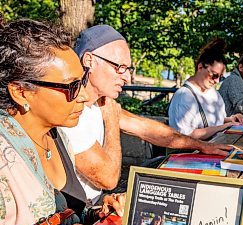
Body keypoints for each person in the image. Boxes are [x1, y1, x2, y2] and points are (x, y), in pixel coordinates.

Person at [0, 19, 122, 225]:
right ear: (21, 92)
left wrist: (96, 214)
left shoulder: (58, 135)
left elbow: (61, 216)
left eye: (83, 81)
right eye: (70, 87)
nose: (82, 97)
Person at [59, 25, 232, 204]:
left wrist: (202, 146)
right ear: (89, 60)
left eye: (128, 69)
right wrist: (112, 121)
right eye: (119, 67)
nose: (126, 77)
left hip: (97, 204)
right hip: (75, 217)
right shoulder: (69, 110)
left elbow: (147, 129)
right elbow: (108, 178)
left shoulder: (100, 102)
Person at [168, 39, 243, 140]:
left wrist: (231, 120)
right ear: (200, 67)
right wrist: (224, 127)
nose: (217, 81)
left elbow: (214, 121)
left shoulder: (214, 94)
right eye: (214, 75)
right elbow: (186, 136)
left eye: (221, 77)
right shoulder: (184, 96)